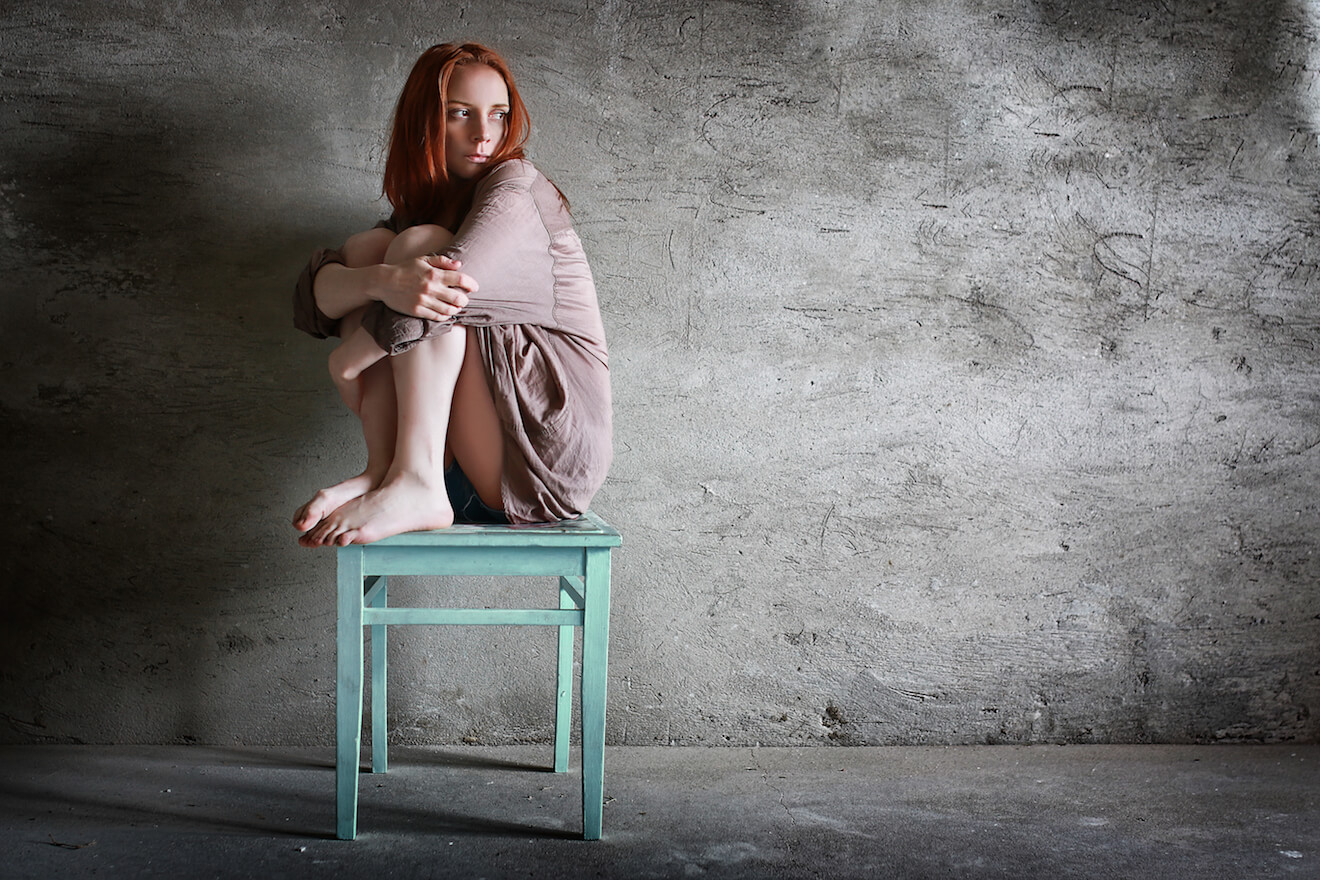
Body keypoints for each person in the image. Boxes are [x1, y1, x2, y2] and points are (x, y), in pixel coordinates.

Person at [290, 42, 612, 547]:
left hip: (539, 460)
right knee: (372, 248)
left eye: (499, 115)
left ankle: (414, 481)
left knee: (422, 251)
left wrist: (344, 362)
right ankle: (388, 473)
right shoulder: (429, 205)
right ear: (424, 122)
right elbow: (313, 303)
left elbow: (443, 297)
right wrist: (378, 280)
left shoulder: (517, 190)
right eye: (461, 114)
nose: (485, 134)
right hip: (464, 459)